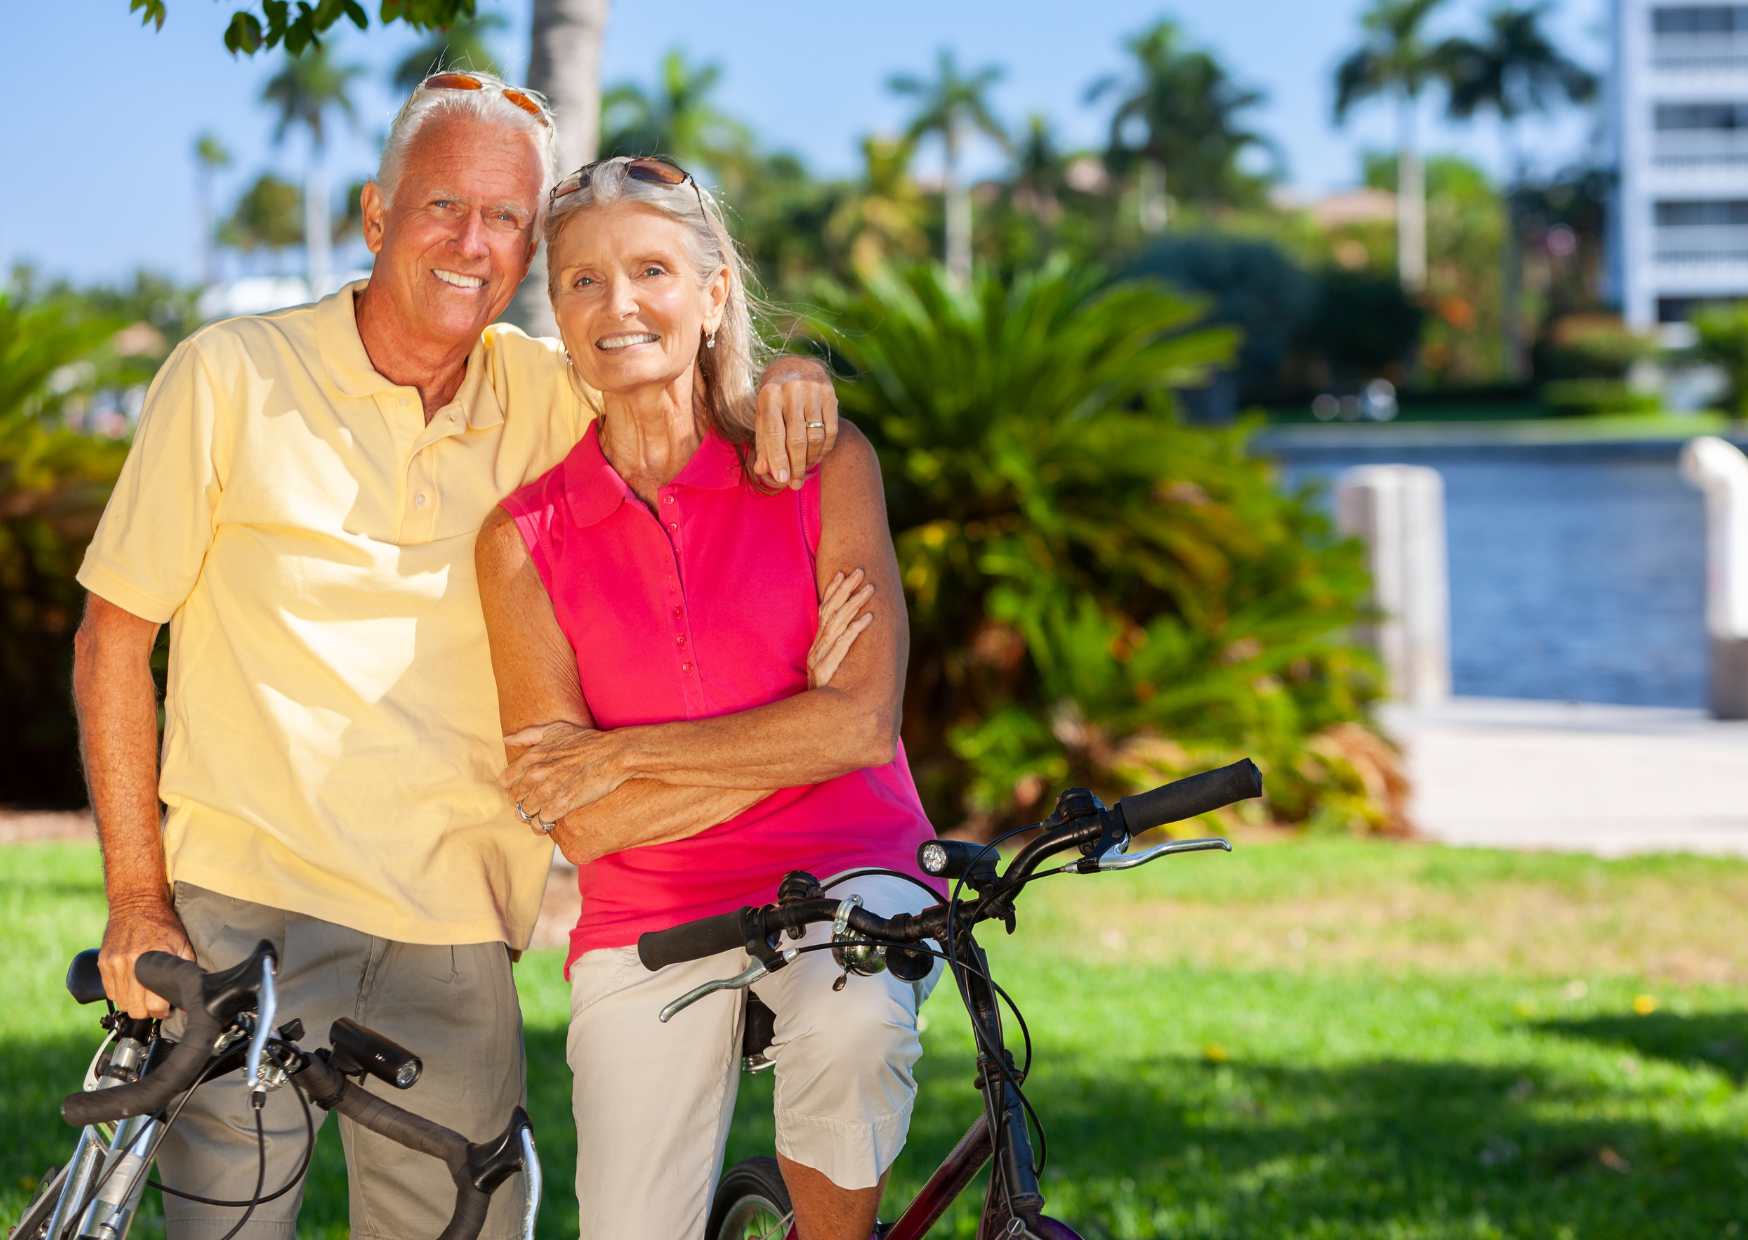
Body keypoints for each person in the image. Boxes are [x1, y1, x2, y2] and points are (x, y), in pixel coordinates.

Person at [72, 75, 839, 1240]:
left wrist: (789, 377)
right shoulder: (229, 374)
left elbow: (683, 380)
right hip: (243, 916)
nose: (470, 243)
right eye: (441, 206)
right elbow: (112, 639)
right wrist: (137, 900)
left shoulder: (550, 392)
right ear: (377, 215)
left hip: (458, 936)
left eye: (504, 219)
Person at [475, 156, 942, 1240]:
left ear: (715, 292)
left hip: (850, 869)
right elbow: (578, 819)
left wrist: (623, 754)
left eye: (650, 269)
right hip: (648, 911)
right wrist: (798, 732)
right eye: (582, 280)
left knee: (857, 1023)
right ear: (556, 307)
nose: (617, 304)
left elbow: (863, 723)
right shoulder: (520, 539)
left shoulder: (822, 466)